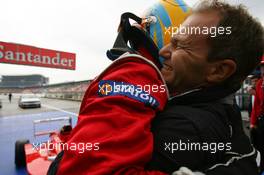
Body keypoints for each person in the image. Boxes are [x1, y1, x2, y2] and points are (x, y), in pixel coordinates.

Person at [50, 0, 264, 175]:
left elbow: (80, 170)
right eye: (170, 42)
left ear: (218, 71)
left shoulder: (181, 127)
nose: (162, 52)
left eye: (179, 45)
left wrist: (61, 158)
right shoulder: (220, 115)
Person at [250, 56, 264, 172]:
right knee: (260, 146)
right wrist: (253, 122)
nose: (263, 69)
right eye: (262, 67)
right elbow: (256, 105)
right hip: (261, 120)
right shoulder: (260, 83)